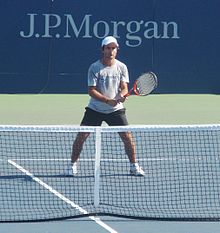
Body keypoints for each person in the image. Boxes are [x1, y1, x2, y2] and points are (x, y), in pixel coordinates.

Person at [70, 36, 145, 176]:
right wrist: (107, 100)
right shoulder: (94, 67)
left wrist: (120, 96)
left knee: (127, 137)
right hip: (95, 109)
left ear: (117, 50)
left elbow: (124, 87)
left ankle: (134, 166)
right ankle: (72, 165)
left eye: (113, 48)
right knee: (81, 136)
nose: (111, 51)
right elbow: (91, 90)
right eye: (108, 48)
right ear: (102, 50)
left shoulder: (122, 67)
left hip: (115, 110)